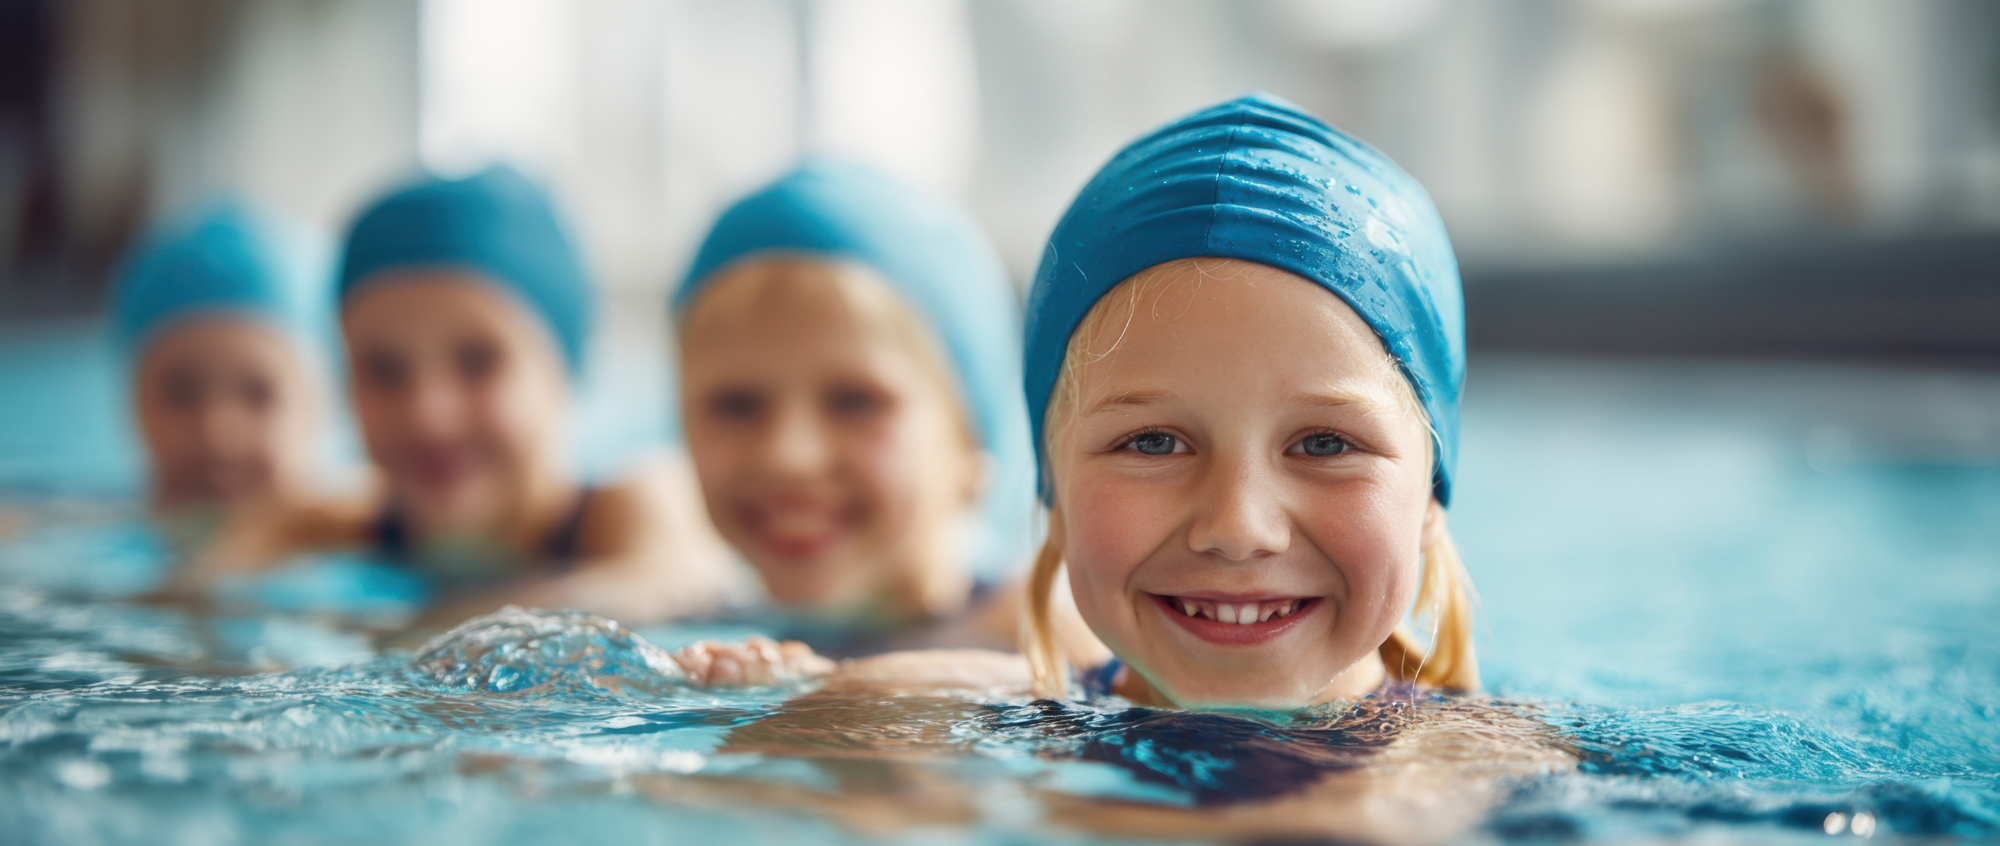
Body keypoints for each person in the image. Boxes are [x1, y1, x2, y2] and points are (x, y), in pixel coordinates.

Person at [651, 94, 1566, 844]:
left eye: (1324, 444)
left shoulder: (1484, 760)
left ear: (1429, 502)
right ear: (1049, 489)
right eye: (1154, 443)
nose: (1237, 526)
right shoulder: (949, 700)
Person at [168, 166, 736, 627]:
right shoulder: (340, 520)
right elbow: (206, 584)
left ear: (566, 371)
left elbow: (674, 578)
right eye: (384, 370)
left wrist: (423, 627)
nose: (428, 414)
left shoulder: (630, 505)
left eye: (477, 362)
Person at [673, 161, 1095, 657]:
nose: (787, 454)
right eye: (736, 405)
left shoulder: (1040, 636)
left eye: (855, 402)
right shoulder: (703, 629)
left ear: (969, 443)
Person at [112, 200, 330, 547]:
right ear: (134, 404)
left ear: (318, 406)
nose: (217, 432)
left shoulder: (369, 533)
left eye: (258, 394)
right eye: (180, 394)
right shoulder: (96, 529)